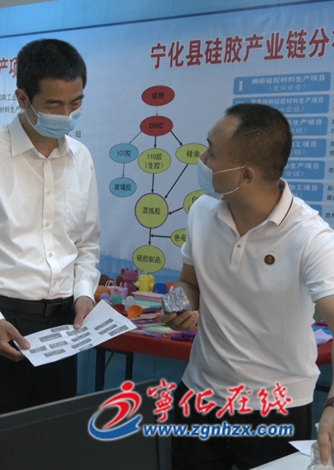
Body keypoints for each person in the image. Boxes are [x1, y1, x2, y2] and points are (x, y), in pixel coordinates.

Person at [0, 38, 101, 424]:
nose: (67, 114)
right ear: (23, 98)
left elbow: (87, 244)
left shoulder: (81, 158)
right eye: (54, 105)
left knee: (51, 437)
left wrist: (84, 294)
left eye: (76, 103)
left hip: (63, 327)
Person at [161, 103, 334, 469]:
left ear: (245, 175)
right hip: (199, 398)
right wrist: (177, 303)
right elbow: (189, 281)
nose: (202, 160)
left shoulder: (311, 237)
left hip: (276, 410)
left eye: (212, 153)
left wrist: (332, 406)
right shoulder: (202, 211)